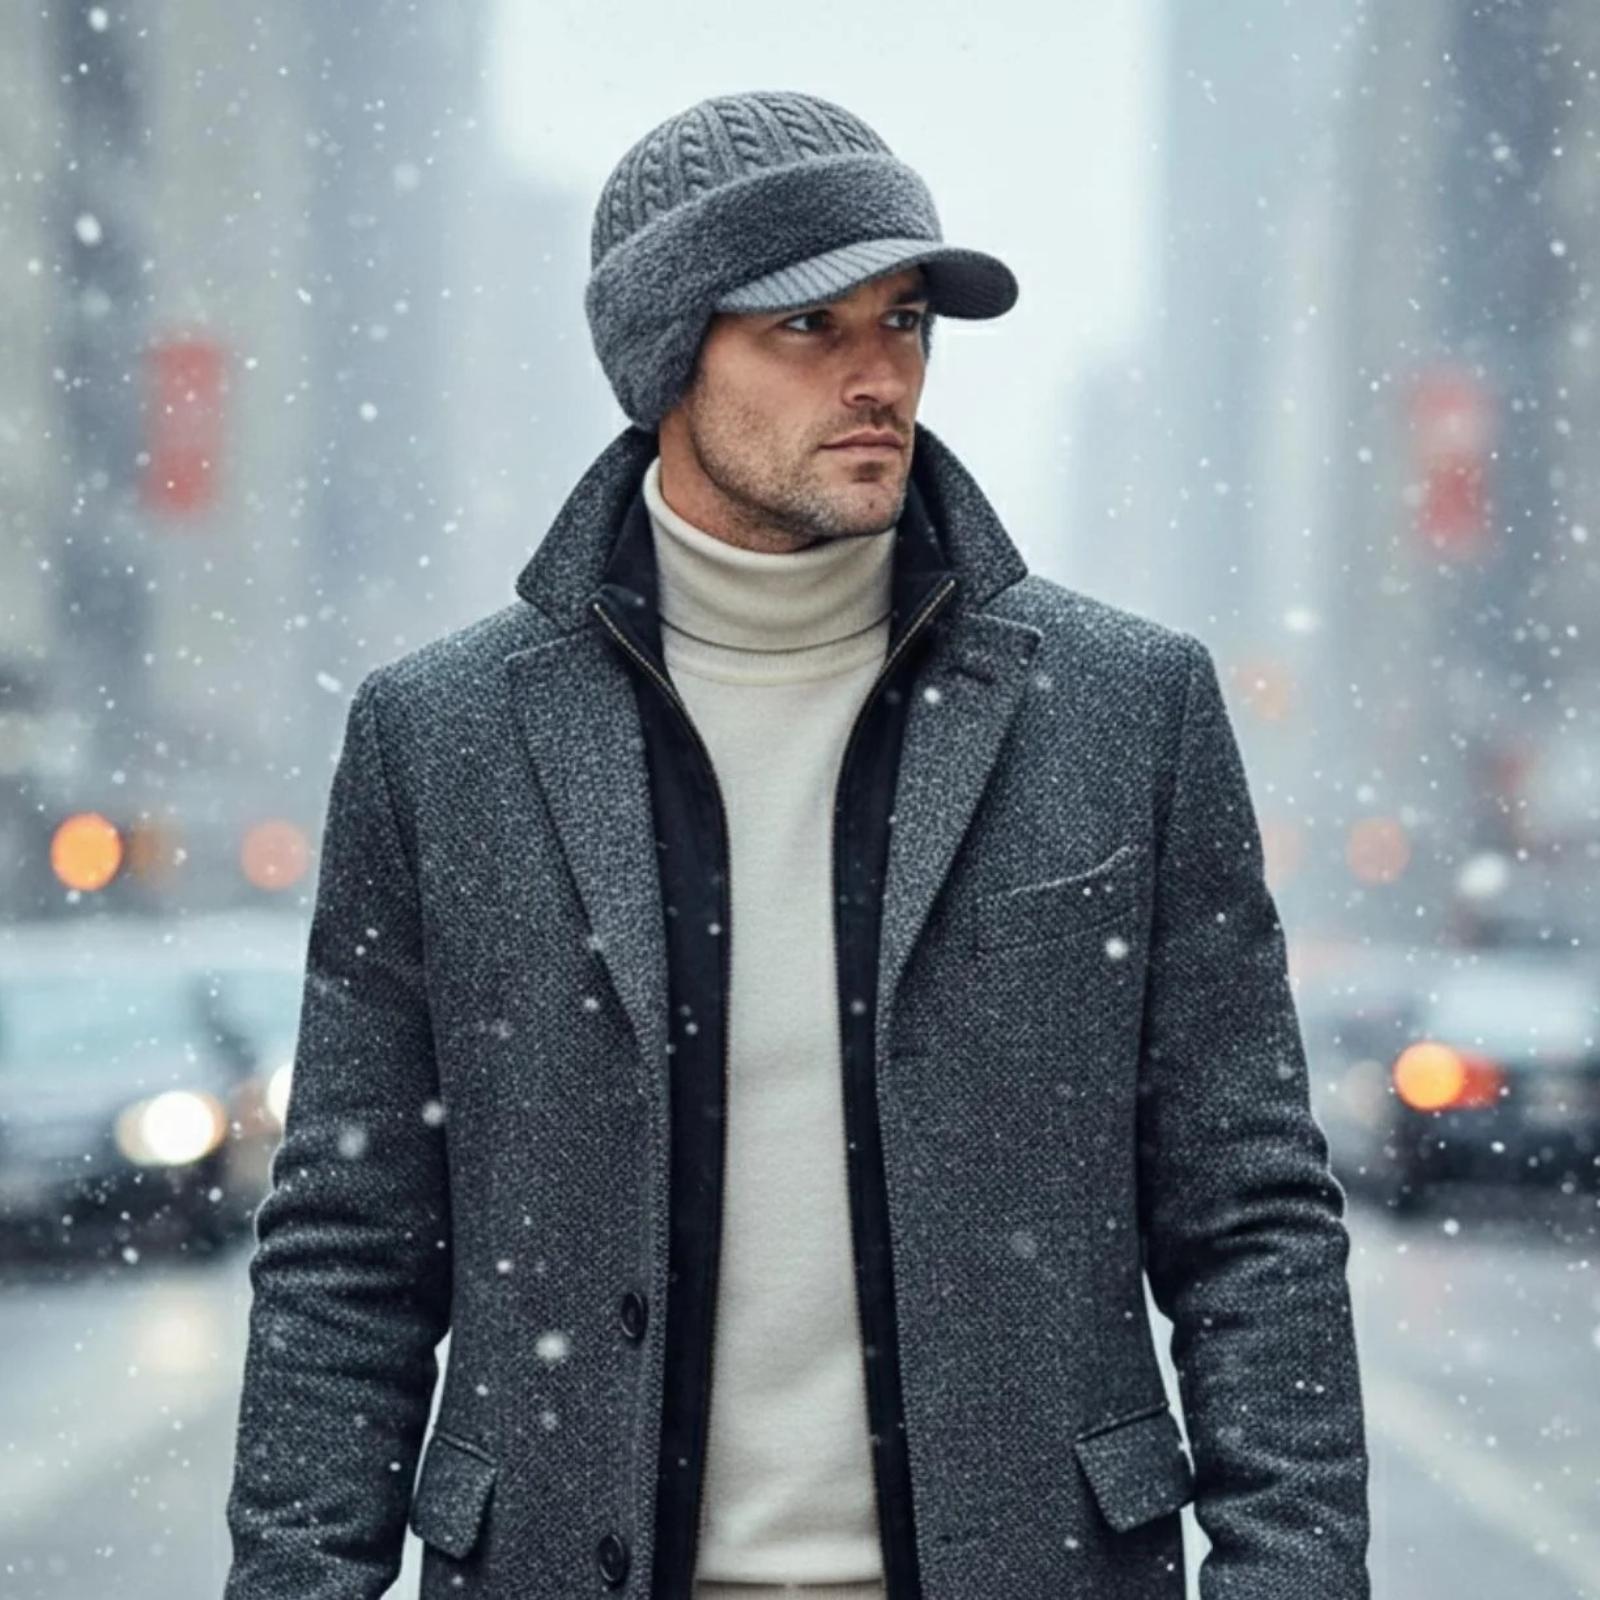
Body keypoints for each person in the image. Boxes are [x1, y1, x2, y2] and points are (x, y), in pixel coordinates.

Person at [223, 90, 1371, 1600]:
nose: (878, 374)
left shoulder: (1124, 709)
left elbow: (1252, 1219)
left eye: (902, 321)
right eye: (809, 327)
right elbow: (349, 1253)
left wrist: (1289, 1580)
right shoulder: (439, 740)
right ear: (665, 359)